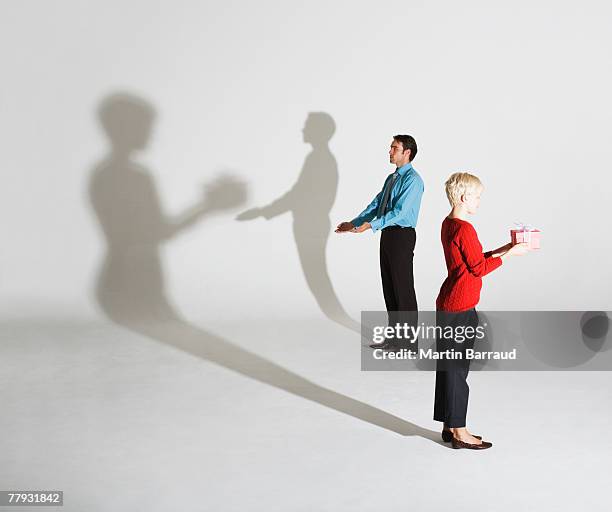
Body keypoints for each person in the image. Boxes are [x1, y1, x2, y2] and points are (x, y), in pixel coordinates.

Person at [434, 172, 529, 450]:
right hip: (460, 305)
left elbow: (472, 261)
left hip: (448, 302)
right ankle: (460, 432)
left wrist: (506, 247)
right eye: (476, 197)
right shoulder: (465, 229)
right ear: (464, 197)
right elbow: (478, 269)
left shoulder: (449, 223)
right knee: (457, 370)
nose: (478, 202)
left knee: (448, 367)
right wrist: (510, 256)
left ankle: (449, 425)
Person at [335, 135, 424, 350]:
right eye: (390, 147)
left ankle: (409, 343)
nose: (390, 151)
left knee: (403, 290)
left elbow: (400, 212)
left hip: (402, 235)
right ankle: (394, 339)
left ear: (407, 153)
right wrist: (354, 222)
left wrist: (372, 226)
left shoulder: (413, 180)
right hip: (388, 235)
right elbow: (376, 205)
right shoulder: (392, 178)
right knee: (390, 288)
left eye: (394, 148)